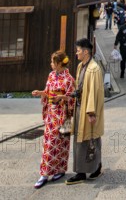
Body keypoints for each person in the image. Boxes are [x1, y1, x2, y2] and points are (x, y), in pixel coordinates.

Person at [32, 51, 75, 189]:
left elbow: (72, 97)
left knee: (62, 143)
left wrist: (61, 98)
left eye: (52, 62)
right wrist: (41, 93)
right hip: (51, 114)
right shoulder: (51, 75)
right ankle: (44, 173)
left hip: (63, 115)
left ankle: (60, 170)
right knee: (49, 143)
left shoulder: (69, 79)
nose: (51, 64)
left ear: (58, 63)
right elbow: (48, 92)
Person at [65, 38, 104, 185]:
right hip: (80, 107)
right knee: (82, 139)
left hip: (88, 110)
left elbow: (94, 91)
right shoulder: (82, 65)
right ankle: (89, 168)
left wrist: (91, 112)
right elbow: (80, 86)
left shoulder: (93, 68)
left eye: (78, 50)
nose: (76, 53)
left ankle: (89, 170)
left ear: (86, 51)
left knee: (90, 139)